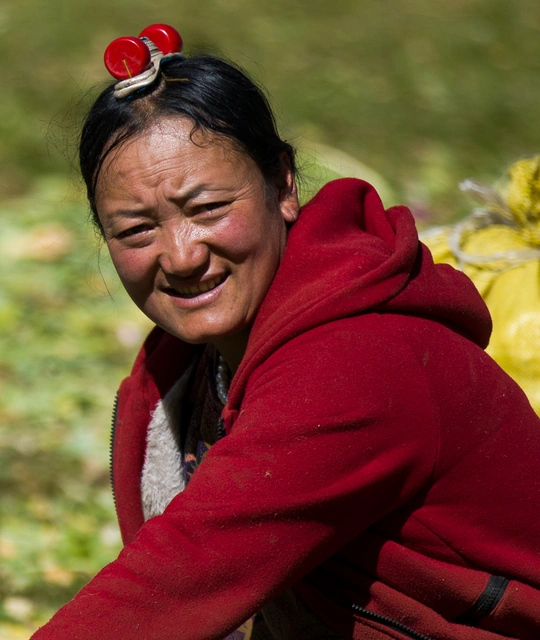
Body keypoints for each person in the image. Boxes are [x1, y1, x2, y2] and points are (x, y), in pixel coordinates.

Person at [32, 23, 540, 640]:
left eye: (208, 209)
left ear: (283, 185)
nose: (182, 256)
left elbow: (180, 575)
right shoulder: (187, 364)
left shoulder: (356, 362)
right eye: (137, 230)